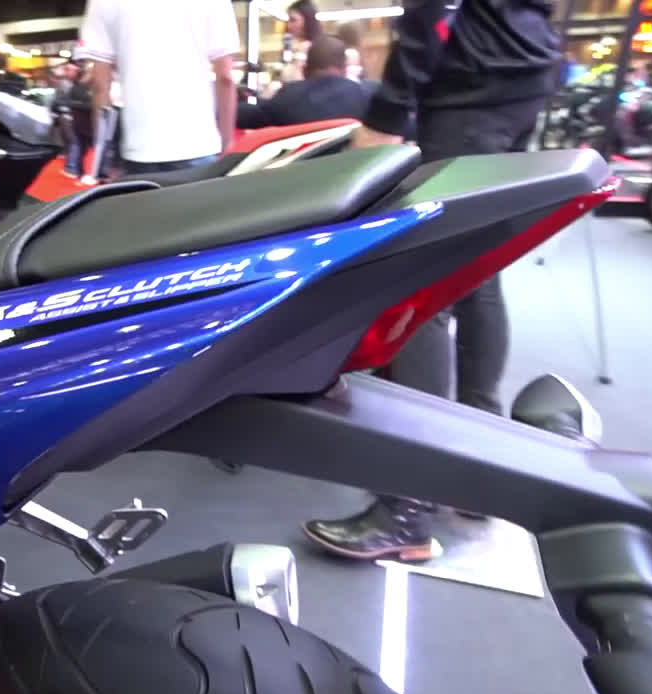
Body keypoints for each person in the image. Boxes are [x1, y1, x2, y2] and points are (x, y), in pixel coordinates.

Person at [303, 0, 561, 561]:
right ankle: (480, 468)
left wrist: (388, 112)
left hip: (469, 88)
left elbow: (435, 8)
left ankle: (409, 506)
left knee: (423, 285)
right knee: (477, 272)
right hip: (522, 74)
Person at [79, 0, 240, 176]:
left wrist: (104, 152)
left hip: (137, 148)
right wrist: (227, 141)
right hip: (198, 144)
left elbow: (100, 85)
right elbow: (225, 78)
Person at [237, 35, 370, 129]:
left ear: (305, 70)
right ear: (345, 70)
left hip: (300, 162)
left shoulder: (288, 97)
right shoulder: (366, 97)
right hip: (355, 161)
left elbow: (248, 116)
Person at [281, 0, 323, 83]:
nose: (289, 25)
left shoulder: (317, 48)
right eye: (288, 21)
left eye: (293, 20)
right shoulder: (291, 45)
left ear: (308, 20)